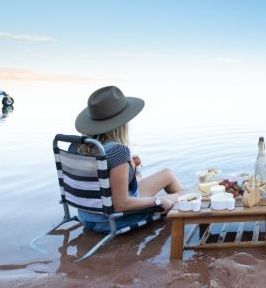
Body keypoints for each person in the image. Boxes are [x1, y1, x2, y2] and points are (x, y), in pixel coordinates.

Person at [70, 85, 184, 233]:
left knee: (168, 173)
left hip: (89, 215)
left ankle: (183, 213)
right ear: (122, 122)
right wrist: (159, 201)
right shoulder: (117, 151)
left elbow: (100, 184)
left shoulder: (76, 146)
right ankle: (191, 221)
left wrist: (129, 168)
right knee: (184, 197)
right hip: (114, 219)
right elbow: (121, 204)